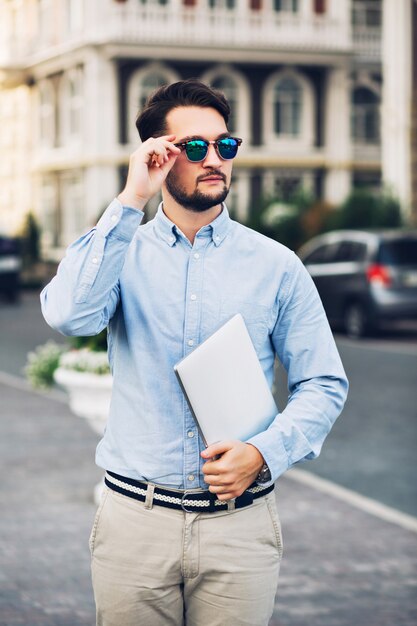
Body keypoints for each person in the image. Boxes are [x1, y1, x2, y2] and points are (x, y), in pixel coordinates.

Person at [41, 79, 348, 626]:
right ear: (157, 156)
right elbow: (69, 314)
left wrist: (264, 453)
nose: (215, 160)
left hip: (239, 529)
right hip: (134, 524)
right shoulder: (118, 252)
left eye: (225, 146)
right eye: (196, 147)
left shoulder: (277, 265)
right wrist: (131, 197)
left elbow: (323, 384)